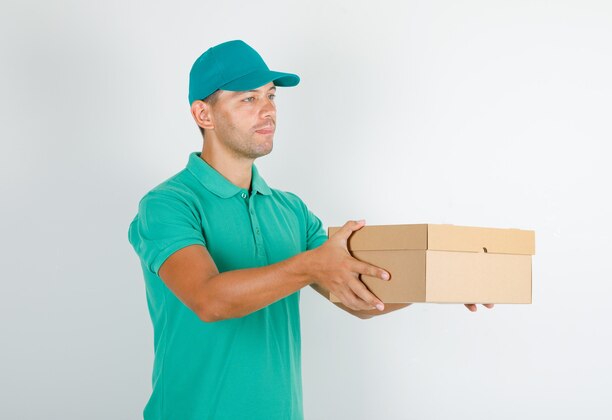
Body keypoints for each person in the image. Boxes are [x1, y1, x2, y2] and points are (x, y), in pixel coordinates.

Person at [128, 39, 492, 420]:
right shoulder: (168, 204)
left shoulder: (291, 210)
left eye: (271, 96)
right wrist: (311, 265)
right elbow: (209, 300)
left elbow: (360, 299)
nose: (268, 110)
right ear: (204, 114)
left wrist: (443, 281)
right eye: (248, 99)